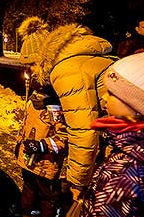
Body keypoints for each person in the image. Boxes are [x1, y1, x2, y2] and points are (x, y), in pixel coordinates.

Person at [23, 17, 116, 205]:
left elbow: (83, 131)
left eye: (30, 65)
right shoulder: (77, 58)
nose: (29, 72)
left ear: (41, 60)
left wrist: (78, 183)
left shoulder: (68, 71)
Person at [76, 52, 144, 217]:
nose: (104, 98)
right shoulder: (130, 146)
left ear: (138, 108)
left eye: (112, 94)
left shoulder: (126, 173)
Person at [16, 17, 68, 217]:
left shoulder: (56, 103)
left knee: (48, 195)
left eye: (32, 67)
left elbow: (63, 138)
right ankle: (28, 214)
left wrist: (41, 146)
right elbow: (28, 125)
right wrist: (21, 143)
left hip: (46, 165)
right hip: (28, 161)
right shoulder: (34, 98)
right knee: (28, 187)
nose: (28, 73)